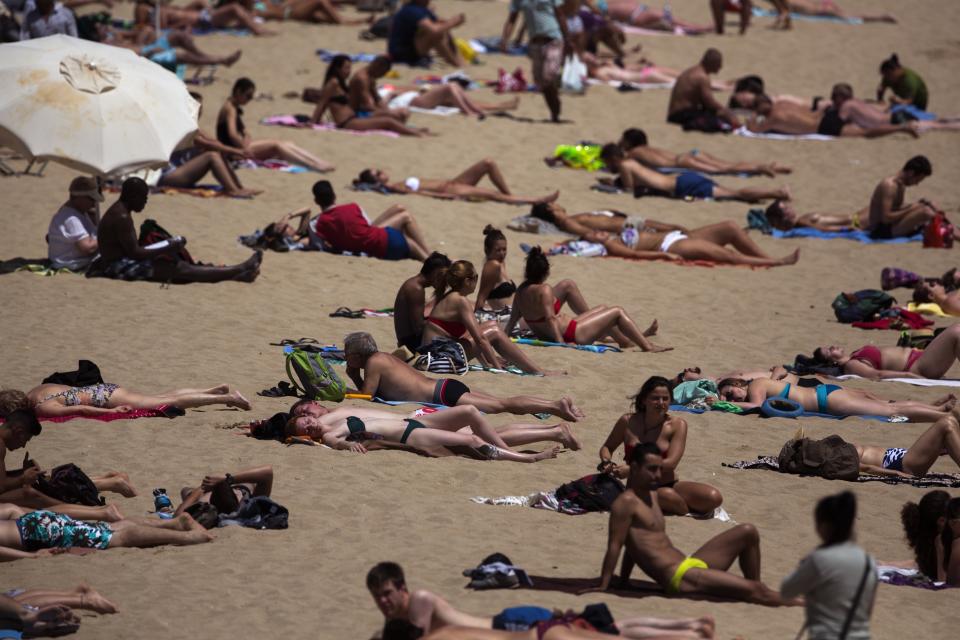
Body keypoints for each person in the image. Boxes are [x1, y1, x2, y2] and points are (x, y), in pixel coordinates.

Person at [584, 443, 791, 605]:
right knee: (760, 591)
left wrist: (625, 580)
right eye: (651, 469)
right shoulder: (626, 503)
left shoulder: (652, 497)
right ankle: (795, 600)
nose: (657, 475)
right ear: (635, 468)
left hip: (690, 564)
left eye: (659, 469)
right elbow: (616, 545)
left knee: (748, 531)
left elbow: (635, 544)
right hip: (680, 579)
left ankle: (751, 589)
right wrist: (606, 583)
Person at [366, 561, 716, 639]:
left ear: (402, 587)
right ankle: (687, 626)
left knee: (607, 631)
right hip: (514, 622)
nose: (382, 602)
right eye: (377, 598)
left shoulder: (420, 603)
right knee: (604, 629)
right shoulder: (398, 614)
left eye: (386, 594)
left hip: (512, 623)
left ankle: (688, 631)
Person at [343, 331, 584, 425]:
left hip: (444, 394)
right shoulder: (383, 357)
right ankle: (552, 405)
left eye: (347, 354)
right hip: (445, 387)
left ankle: (555, 405)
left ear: (356, 355)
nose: (345, 357)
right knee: (503, 402)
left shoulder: (374, 362)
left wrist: (350, 381)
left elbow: (367, 395)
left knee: (503, 405)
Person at [94, 177, 263, 283]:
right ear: (132, 197)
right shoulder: (121, 217)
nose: (145, 203)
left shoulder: (120, 210)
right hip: (115, 267)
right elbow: (135, 254)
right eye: (143, 199)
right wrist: (168, 245)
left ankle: (238, 275)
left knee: (178, 269)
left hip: (118, 261)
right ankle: (239, 269)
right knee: (180, 269)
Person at [531, 201, 800, 266]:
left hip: (671, 237)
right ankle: (772, 262)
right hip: (671, 246)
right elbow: (627, 242)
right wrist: (662, 251)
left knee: (730, 227)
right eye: (553, 205)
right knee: (725, 255)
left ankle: (766, 258)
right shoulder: (575, 225)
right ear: (553, 212)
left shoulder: (581, 222)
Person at [599, 377, 722, 516]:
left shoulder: (677, 425)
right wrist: (606, 462)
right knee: (666, 496)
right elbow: (607, 447)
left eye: (665, 398)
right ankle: (668, 504)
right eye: (655, 398)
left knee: (713, 497)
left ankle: (664, 502)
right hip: (638, 486)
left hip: (669, 483)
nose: (661, 403)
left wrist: (633, 469)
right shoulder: (628, 421)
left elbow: (671, 464)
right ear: (644, 399)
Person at [505, 247, 669, 351]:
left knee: (604, 309)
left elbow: (513, 320)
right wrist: (561, 343)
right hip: (573, 334)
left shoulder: (521, 291)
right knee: (617, 311)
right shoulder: (545, 289)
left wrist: (505, 336)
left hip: (564, 331)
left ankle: (624, 342)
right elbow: (550, 319)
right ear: (546, 272)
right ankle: (647, 346)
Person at [286, 404, 561, 463]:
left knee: (471, 413)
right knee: (473, 440)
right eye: (305, 428)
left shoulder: (335, 416)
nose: (309, 423)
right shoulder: (330, 435)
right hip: (413, 438)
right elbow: (335, 443)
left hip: (416, 422)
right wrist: (346, 447)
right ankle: (527, 459)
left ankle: (554, 431)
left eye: (305, 418)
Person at [423, 261, 561, 375]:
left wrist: (488, 361)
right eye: (476, 277)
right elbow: (480, 339)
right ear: (467, 281)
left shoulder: (451, 296)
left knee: (490, 324)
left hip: (436, 352)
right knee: (494, 330)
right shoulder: (460, 301)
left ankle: (536, 370)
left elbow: (470, 336)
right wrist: (496, 367)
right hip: (439, 357)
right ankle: (538, 371)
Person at [781, 492, 877, 640]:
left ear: (824, 526)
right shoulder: (869, 563)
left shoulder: (819, 559)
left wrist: (802, 567)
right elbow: (867, 612)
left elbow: (786, 591)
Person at [0, 503, 212, 559]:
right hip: (35, 521)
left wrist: (29, 555)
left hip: (35, 534)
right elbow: (11, 508)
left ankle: (188, 536)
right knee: (111, 528)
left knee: (115, 538)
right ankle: (174, 524)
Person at [600, 144, 790, 203]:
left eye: (608, 163)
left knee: (735, 194)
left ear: (613, 158)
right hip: (683, 179)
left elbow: (628, 188)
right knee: (727, 170)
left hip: (681, 186)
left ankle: (777, 193)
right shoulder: (634, 159)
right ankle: (767, 176)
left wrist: (610, 184)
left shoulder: (626, 164)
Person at [347, 56, 520, 120]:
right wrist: (390, 96)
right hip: (412, 102)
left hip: (410, 97)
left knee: (456, 95)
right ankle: (471, 112)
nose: (382, 76)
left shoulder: (370, 77)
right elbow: (373, 108)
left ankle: (496, 107)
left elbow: (376, 99)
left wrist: (394, 93)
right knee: (451, 87)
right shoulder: (363, 79)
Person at [218, 77, 335, 172]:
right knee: (276, 145)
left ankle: (317, 161)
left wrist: (246, 137)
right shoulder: (230, 109)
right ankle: (312, 165)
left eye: (251, 97)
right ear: (238, 91)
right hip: (234, 153)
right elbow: (232, 134)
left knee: (286, 143)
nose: (249, 100)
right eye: (248, 96)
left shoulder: (233, 106)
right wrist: (244, 148)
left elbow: (243, 131)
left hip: (239, 147)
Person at [715, 376, 952, 422]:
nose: (732, 399)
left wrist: (720, 405)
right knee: (889, 406)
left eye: (729, 394)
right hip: (826, 391)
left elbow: (756, 406)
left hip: (826, 401)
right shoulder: (762, 382)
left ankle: (943, 415)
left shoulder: (756, 384)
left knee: (890, 413)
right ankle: (937, 408)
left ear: (737, 384)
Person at [158, 92, 260, 197]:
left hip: (179, 172)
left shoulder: (192, 127)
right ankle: (233, 190)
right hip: (168, 177)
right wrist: (237, 151)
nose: (201, 111)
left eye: (201, 107)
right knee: (212, 156)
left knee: (215, 152)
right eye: (198, 107)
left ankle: (238, 187)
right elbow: (207, 143)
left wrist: (228, 150)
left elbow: (214, 142)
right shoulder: (181, 126)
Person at [307, 180, 430, 260]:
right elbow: (368, 225)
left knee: (399, 208)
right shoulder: (353, 207)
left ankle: (427, 253)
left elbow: (319, 244)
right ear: (334, 196)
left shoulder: (319, 223)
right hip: (371, 240)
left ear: (316, 201)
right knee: (405, 216)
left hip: (362, 238)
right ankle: (428, 253)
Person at [16, 377, 250, 418]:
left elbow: (79, 411)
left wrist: (110, 413)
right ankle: (214, 390)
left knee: (168, 402)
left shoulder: (40, 406)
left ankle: (228, 398)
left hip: (105, 400)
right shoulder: (37, 390)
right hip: (104, 389)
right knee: (161, 396)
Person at [311, 56, 429, 136]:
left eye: (350, 68)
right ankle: (417, 134)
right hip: (346, 122)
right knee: (388, 121)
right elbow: (322, 103)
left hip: (353, 117)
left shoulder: (341, 83)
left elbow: (374, 99)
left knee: (390, 119)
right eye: (346, 68)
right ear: (337, 69)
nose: (349, 71)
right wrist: (313, 122)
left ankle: (415, 131)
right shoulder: (333, 83)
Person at [354, 161, 559, 205]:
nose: (383, 172)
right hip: (451, 189)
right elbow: (419, 194)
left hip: (453, 183)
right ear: (377, 181)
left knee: (488, 163)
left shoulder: (396, 183)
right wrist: (444, 196)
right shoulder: (393, 187)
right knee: (492, 194)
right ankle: (535, 200)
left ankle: (510, 196)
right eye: (378, 173)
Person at [500, 0, 570, 122]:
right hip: (535, 43)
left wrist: (568, 39)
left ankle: (556, 108)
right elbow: (512, 18)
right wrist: (505, 39)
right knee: (541, 82)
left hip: (553, 39)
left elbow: (560, 14)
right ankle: (555, 113)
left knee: (548, 77)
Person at [618, 128, 790, 177]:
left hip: (682, 162)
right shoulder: (647, 148)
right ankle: (767, 166)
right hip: (691, 154)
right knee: (728, 164)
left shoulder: (633, 153)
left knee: (724, 170)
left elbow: (617, 159)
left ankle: (759, 169)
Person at [745, 92, 917, 138]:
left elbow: (753, 128)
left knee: (865, 133)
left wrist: (753, 116)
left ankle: (900, 128)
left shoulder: (774, 118)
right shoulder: (783, 104)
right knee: (864, 123)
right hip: (823, 115)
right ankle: (888, 112)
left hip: (822, 127)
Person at [812, 326, 960, 379]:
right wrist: (909, 376)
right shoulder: (852, 365)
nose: (832, 347)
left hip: (920, 357)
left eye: (829, 346)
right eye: (829, 351)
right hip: (918, 366)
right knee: (956, 331)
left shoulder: (855, 354)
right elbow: (877, 375)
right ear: (833, 362)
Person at [854, 410, 960, 478]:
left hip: (903, 456)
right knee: (947, 423)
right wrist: (896, 473)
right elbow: (866, 468)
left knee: (954, 418)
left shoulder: (840, 446)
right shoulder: (840, 456)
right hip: (902, 465)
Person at [864, 155, 937, 240]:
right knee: (926, 212)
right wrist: (911, 208)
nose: (917, 184)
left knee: (931, 204)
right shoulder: (889, 186)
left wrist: (916, 205)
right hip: (880, 231)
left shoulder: (901, 185)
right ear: (911, 173)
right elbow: (886, 218)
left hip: (890, 226)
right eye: (917, 180)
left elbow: (896, 208)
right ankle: (948, 231)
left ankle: (951, 230)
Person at [666, 49, 739, 133]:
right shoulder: (702, 77)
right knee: (717, 121)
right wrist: (725, 111)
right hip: (681, 115)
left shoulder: (692, 71)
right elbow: (709, 101)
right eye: (718, 63)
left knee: (717, 114)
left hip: (675, 114)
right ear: (711, 63)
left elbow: (704, 102)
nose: (720, 67)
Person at [394, 252, 452, 352]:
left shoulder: (414, 284)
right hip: (411, 343)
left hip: (408, 339)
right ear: (436, 274)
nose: (445, 282)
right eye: (443, 276)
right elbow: (418, 328)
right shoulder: (416, 289)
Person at [173, 464, 274, 518]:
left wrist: (202, 488)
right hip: (234, 492)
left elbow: (177, 517)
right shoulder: (253, 503)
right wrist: (228, 479)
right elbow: (268, 471)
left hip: (205, 497)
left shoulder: (205, 500)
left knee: (186, 491)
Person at [46, 176, 100, 271]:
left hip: (62, 260)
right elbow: (87, 248)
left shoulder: (70, 211)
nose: (94, 202)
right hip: (71, 263)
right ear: (79, 198)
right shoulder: (72, 219)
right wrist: (105, 236)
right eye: (91, 199)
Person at [388, 0, 464, 67]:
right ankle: (454, 63)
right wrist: (453, 22)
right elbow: (435, 30)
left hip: (411, 48)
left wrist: (448, 23)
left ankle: (458, 60)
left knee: (442, 28)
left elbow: (440, 23)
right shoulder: (411, 10)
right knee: (436, 34)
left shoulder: (421, 9)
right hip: (401, 55)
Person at [133, 0, 272, 35]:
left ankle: (250, 19)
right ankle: (257, 29)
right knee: (234, 8)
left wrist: (194, 6)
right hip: (203, 20)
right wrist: (185, 25)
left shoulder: (162, 9)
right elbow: (163, 29)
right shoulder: (159, 12)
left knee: (234, 7)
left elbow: (181, 13)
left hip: (202, 16)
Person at [900, 490, 951, 582]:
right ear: (941, 521)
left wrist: (887, 564)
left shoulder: (926, 543)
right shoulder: (942, 542)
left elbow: (918, 564)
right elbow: (943, 582)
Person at [605, 1, 713, 34]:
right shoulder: (597, 6)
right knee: (667, 17)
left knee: (668, 18)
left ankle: (697, 27)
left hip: (640, 11)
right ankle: (700, 28)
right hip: (636, 15)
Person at [475, 226, 515, 311]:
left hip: (514, 315)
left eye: (504, 249)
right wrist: (476, 317)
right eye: (498, 250)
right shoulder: (493, 265)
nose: (502, 253)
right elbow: (482, 296)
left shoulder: (501, 263)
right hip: (504, 318)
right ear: (487, 250)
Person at [764, 199, 861, 232]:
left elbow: (822, 229)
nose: (790, 208)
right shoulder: (802, 220)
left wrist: (847, 229)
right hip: (856, 218)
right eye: (786, 208)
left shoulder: (801, 222)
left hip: (857, 222)